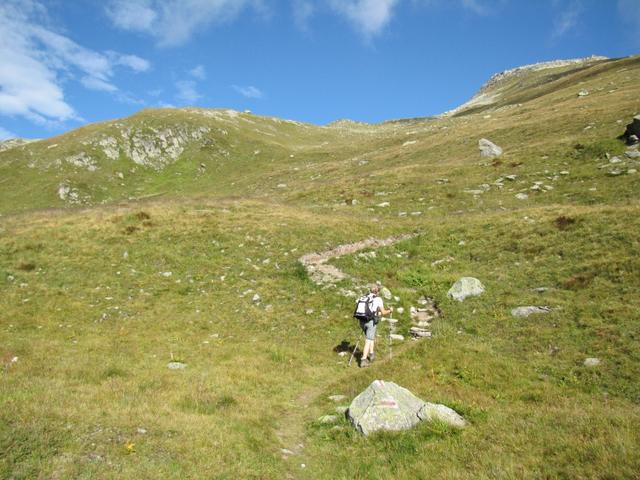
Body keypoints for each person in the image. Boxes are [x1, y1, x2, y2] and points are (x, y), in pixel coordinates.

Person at [359, 285, 392, 368]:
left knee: (370, 337)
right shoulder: (378, 299)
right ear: (377, 292)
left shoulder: (364, 297)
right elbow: (383, 312)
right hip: (370, 322)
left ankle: (371, 354)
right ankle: (363, 360)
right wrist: (390, 310)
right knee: (368, 340)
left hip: (362, 320)